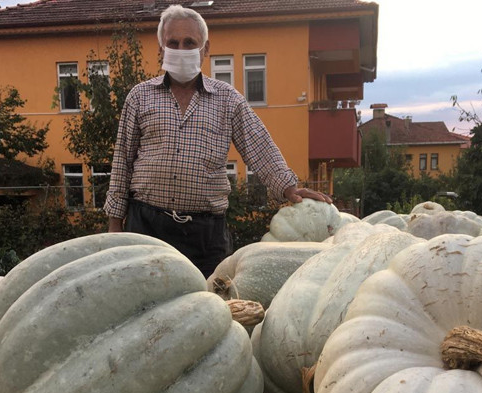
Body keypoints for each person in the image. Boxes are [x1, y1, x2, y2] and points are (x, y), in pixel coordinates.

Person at [103, 4, 331, 277]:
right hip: (147, 228)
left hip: (205, 236)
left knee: (210, 307)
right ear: (160, 49)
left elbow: (258, 144)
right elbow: (122, 163)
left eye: (190, 43)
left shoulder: (228, 99)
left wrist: (289, 188)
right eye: (173, 42)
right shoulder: (140, 96)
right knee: (144, 307)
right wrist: (114, 227)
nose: (181, 48)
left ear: (205, 49)